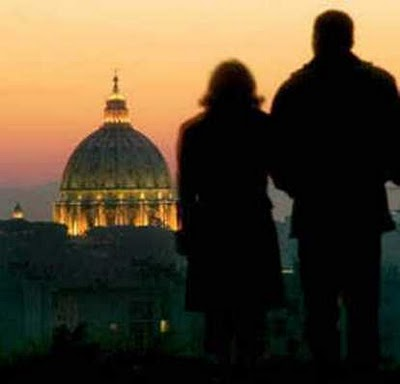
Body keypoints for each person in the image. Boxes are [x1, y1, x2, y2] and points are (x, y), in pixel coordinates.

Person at [270, 9, 400, 381]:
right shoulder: (379, 84)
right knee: (363, 309)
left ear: (315, 39)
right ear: (352, 38)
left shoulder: (295, 90)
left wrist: (303, 188)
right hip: (363, 214)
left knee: (320, 311)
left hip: (316, 217)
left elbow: (277, 159)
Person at [176, 59, 284, 382]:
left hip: (211, 232)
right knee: (253, 318)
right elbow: (281, 176)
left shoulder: (194, 131)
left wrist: (188, 233)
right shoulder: (264, 126)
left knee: (217, 319)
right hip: (253, 229)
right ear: (250, 89)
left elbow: (186, 191)